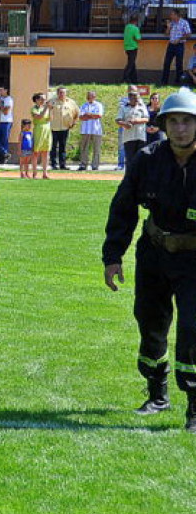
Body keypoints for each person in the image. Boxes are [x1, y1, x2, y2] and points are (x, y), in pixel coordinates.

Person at [103, 89, 196, 433]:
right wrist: (113, 257)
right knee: (150, 321)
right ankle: (157, 393)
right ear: (163, 125)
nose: (181, 128)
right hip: (155, 253)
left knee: (193, 328)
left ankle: (195, 408)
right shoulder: (147, 158)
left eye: (187, 121)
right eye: (174, 121)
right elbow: (123, 208)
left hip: (194, 260)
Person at [118, 89, 150, 167]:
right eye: (134, 98)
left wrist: (136, 121)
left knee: (140, 159)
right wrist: (125, 124)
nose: (136, 100)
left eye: (137, 98)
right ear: (129, 98)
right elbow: (118, 120)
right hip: (128, 137)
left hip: (140, 136)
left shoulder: (142, 107)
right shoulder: (123, 108)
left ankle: (140, 178)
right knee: (130, 159)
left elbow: (146, 119)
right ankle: (130, 177)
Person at [49, 86, 79, 171]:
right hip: (54, 128)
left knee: (63, 147)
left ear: (66, 93)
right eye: (60, 92)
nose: (62, 94)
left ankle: (63, 165)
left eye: (63, 92)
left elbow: (77, 113)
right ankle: (54, 164)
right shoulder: (52, 102)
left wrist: (73, 123)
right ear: (57, 93)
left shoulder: (71, 102)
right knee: (53, 147)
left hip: (65, 128)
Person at [162, 8, 192, 86]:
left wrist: (179, 39)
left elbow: (188, 34)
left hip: (179, 45)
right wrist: (168, 27)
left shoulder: (184, 22)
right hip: (171, 45)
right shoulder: (171, 23)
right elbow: (166, 34)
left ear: (176, 15)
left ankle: (178, 82)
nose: (170, 16)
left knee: (179, 64)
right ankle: (164, 82)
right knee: (166, 63)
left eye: (172, 14)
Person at [77, 90, 104, 171]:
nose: (90, 97)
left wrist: (88, 115)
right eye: (88, 96)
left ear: (95, 97)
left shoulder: (99, 105)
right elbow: (81, 117)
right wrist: (91, 116)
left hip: (96, 130)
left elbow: (99, 115)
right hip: (85, 130)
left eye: (92, 96)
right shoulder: (83, 105)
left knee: (96, 148)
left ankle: (95, 165)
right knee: (84, 148)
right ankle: (83, 164)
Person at [30, 93, 53, 179]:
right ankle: (35, 173)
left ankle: (45, 173)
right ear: (36, 100)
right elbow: (39, 117)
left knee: (45, 152)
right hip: (38, 130)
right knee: (36, 152)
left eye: (44, 99)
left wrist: (50, 109)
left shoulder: (45, 108)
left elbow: (50, 118)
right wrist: (46, 108)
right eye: (41, 99)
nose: (44, 101)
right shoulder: (34, 109)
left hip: (47, 129)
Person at [0, 86, 14, 164]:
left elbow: (6, 112)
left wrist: (0, 104)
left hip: (7, 122)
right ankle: (5, 153)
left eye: (1, 90)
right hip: (1, 121)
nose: (0, 92)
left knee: (4, 140)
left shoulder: (9, 99)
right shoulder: (1, 99)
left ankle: (3, 158)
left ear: (6, 90)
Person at [123, 13, 141, 84]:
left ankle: (134, 80)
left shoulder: (127, 27)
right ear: (136, 21)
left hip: (127, 48)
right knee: (130, 65)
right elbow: (138, 39)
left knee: (132, 64)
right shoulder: (135, 28)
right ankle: (125, 78)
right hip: (133, 48)